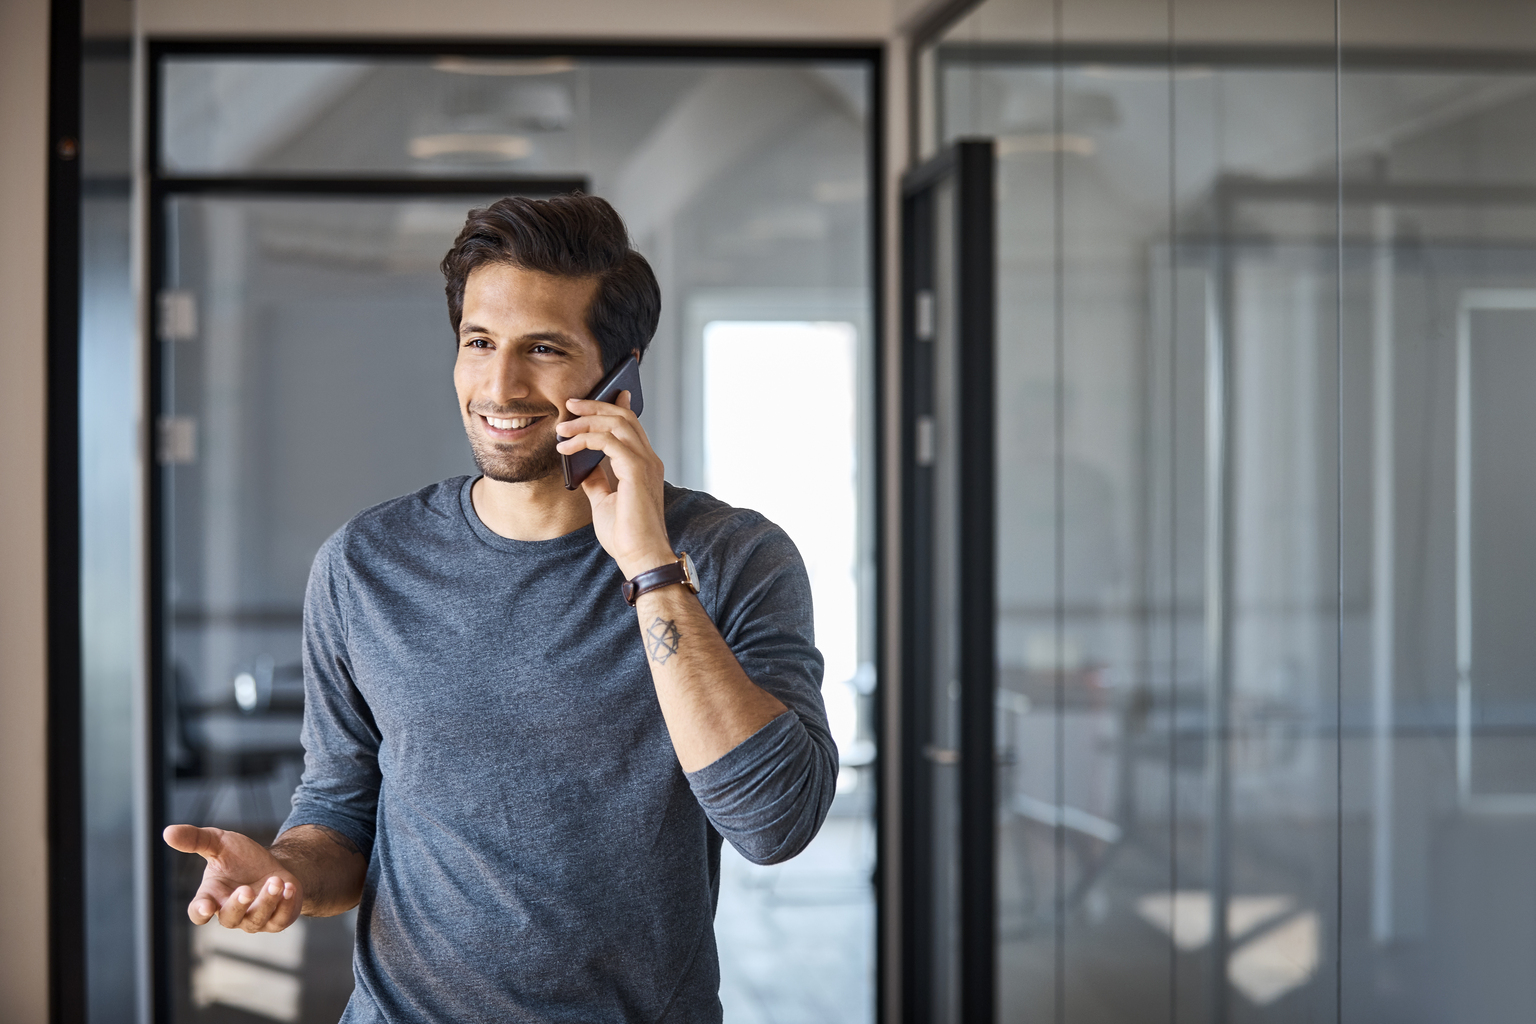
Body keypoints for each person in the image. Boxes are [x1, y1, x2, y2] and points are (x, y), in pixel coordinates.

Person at [163, 194, 836, 1022]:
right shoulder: (363, 566)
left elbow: (776, 824)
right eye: (478, 343)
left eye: (544, 349)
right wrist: (287, 874)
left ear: (619, 378)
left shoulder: (736, 558)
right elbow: (340, 814)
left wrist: (650, 567)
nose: (500, 384)